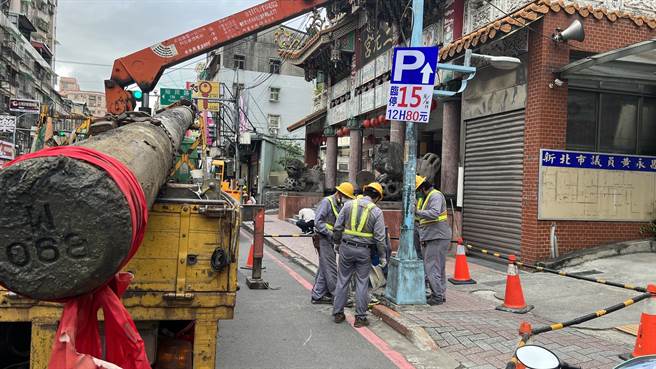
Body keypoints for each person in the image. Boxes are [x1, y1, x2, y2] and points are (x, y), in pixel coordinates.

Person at [332, 182, 386, 327]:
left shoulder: (349, 205)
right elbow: (380, 238)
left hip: (346, 248)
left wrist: (337, 243)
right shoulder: (376, 211)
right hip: (364, 251)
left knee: (343, 280)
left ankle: (338, 313)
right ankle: (360, 318)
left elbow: (337, 227)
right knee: (362, 283)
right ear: (377, 197)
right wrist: (382, 256)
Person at [310, 182, 355, 304]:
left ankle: (317, 295)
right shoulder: (327, 202)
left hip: (331, 240)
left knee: (324, 267)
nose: (347, 200)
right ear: (339, 193)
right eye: (346, 196)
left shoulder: (340, 204)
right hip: (323, 239)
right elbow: (318, 222)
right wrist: (331, 235)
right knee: (330, 268)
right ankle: (340, 298)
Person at [415, 175, 452, 306]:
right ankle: (440, 294)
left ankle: (437, 296)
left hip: (437, 236)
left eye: (418, 190)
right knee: (438, 267)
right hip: (434, 235)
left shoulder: (435, 196)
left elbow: (434, 213)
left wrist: (417, 212)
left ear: (422, 188)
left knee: (432, 267)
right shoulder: (428, 197)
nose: (418, 193)